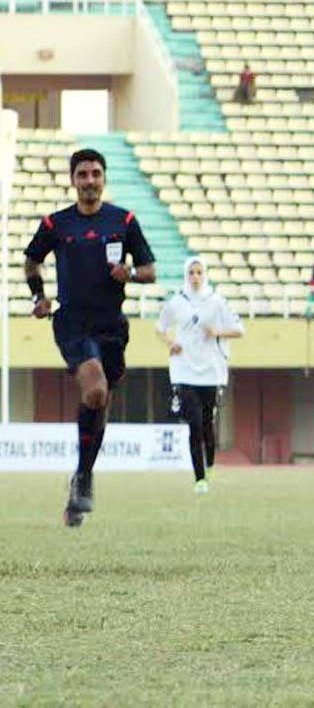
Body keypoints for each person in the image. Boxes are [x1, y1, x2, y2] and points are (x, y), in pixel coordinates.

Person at [24, 148, 156, 527]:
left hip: (112, 325)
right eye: (82, 174)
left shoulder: (124, 220)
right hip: (72, 322)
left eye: (95, 173)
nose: (89, 181)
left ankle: (81, 481)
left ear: (104, 178)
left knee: (100, 406)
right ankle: (83, 478)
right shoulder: (56, 224)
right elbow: (32, 260)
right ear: (73, 180)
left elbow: (149, 270)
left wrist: (128, 275)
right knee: (95, 389)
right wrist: (38, 296)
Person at [156, 257, 244, 493]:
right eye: (191, 273)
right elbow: (160, 327)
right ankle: (200, 479)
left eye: (199, 273)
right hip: (184, 371)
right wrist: (170, 342)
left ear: (205, 275)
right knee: (194, 424)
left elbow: (239, 330)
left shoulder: (216, 302)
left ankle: (210, 463)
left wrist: (217, 332)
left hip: (210, 372)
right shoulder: (177, 302)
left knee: (207, 424)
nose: (195, 277)